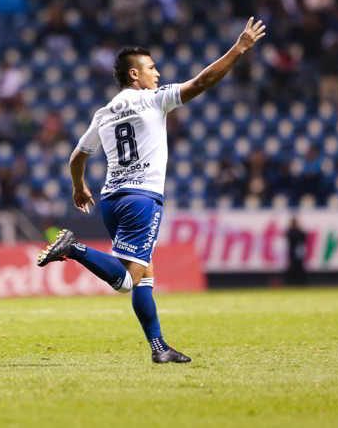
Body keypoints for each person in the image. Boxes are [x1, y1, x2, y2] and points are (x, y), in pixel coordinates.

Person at [37, 18, 266, 363]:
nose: (157, 74)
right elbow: (203, 81)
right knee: (128, 280)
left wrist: (78, 187)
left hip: (111, 200)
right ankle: (75, 248)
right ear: (135, 75)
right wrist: (239, 49)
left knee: (146, 276)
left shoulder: (103, 113)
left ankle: (159, 348)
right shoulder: (153, 100)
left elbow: (76, 156)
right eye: (151, 68)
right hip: (141, 199)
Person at [284, 216, 307, 286]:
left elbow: (303, 238)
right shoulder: (290, 232)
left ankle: (301, 283)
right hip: (292, 252)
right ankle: (291, 283)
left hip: (298, 252)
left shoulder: (298, 232)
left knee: (299, 267)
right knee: (292, 267)